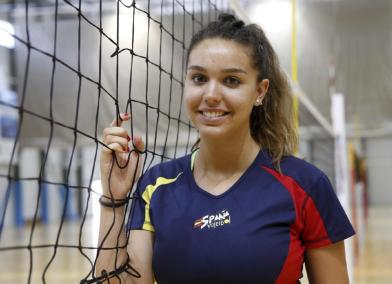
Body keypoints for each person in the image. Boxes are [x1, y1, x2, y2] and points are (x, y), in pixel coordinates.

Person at [96, 13, 355, 284]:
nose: (210, 95)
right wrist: (113, 200)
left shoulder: (305, 185)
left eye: (231, 80)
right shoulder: (156, 185)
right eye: (198, 78)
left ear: (260, 91)